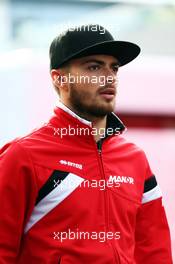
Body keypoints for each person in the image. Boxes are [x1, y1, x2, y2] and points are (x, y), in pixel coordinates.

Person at [0, 24, 173, 264]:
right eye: (94, 67)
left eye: (114, 68)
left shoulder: (135, 159)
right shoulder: (22, 155)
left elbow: (154, 252)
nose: (109, 77)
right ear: (59, 79)